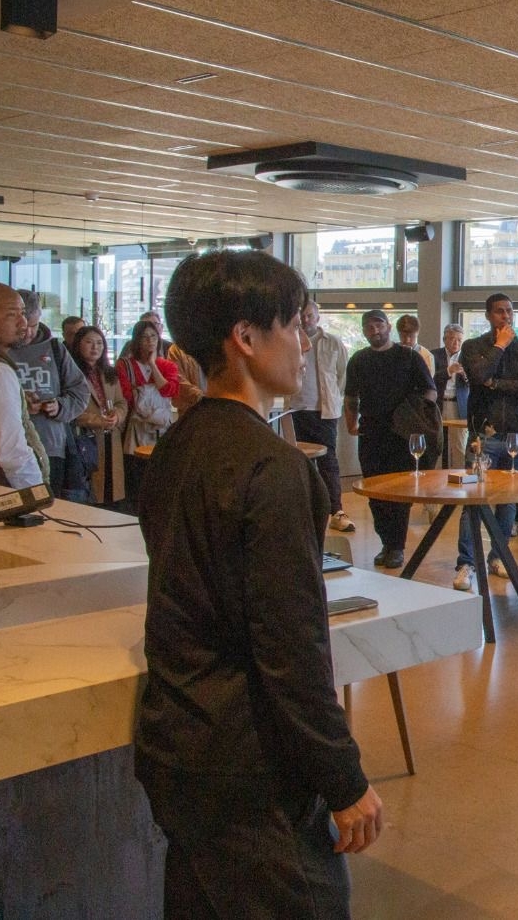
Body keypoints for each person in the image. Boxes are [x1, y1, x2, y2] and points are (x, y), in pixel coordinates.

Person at [135, 250, 381, 918]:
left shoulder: (177, 447)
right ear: (244, 337)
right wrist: (343, 778)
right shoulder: (273, 468)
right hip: (248, 768)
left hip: (177, 745)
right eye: (293, 326)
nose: (304, 343)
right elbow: (290, 648)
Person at [453, 293, 518, 592]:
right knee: (473, 499)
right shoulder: (472, 347)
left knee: (508, 501)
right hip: (483, 435)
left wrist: (497, 384)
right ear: (489, 315)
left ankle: (498, 556)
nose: (506, 316)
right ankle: (466, 562)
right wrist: (499, 347)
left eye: (510, 311)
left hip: (516, 435)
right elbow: (479, 375)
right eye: (500, 311)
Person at [344, 309, 435, 571]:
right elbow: (351, 397)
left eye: (379, 325)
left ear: (388, 327)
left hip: (401, 435)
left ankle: (397, 546)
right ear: (364, 331)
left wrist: (415, 415)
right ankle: (386, 542)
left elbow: (430, 390)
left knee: (398, 493)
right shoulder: (359, 360)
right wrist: (351, 423)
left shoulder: (409, 356)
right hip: (371, 433)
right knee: (374, 493)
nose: (375, 330)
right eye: (369, 327)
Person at [9, 290, 90, 500]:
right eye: (23, 326)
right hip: (10, 448)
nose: (28, 333)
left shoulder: (55, 349)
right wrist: (19, 402)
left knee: (49, 506)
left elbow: (80, 391)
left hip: (51, 445)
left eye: (34, 325)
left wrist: (59, 406)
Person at [0, 282, 48, 490]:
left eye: (23, 313)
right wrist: (37, 495)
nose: (23, 323)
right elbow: (11, 451)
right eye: (12, 315)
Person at [287, 300, 355, 534]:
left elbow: (342, 376)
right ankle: (304, 511)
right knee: (300, 462)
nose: (306, 320)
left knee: (328, 460)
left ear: (317, 317)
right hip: (296, 409)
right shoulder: (289, 341)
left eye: (309, 315)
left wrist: (332, 398)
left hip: (325, 412)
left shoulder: (333, 342)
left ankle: (336, 510)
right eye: (302, 316)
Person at [118, 318, 180, 505]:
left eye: (153, 336)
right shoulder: (125, 365)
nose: (150, 341)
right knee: (136, 474)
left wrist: (153, 365)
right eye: (145, 337)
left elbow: (169, 390)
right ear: (136, 340)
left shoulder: (167, 365)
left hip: (160, 428)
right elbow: (127, 395)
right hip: (136, 427)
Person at [68, 325, 127, 504]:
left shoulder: (109, 372)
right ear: (78, 344)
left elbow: (121, 402)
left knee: (112, 491)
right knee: (93, 491)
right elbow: (71, 409)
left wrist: (117, 416)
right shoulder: (71, 373)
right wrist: (96, 420)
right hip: (86, 438)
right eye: (89, 342)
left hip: (111, 436)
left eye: (100, 343)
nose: (95, 347)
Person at [434, 322, 469, 423]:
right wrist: (449, 371)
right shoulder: (434, 355)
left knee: (457, 433)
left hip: (458, 404)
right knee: (437, 433)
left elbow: (473, 382)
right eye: (452, 339)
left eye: (459, 340)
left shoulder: (466, 357)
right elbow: (430, 379)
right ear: (444, 339)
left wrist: (465, 375)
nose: (456, 343)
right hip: (438, 402)